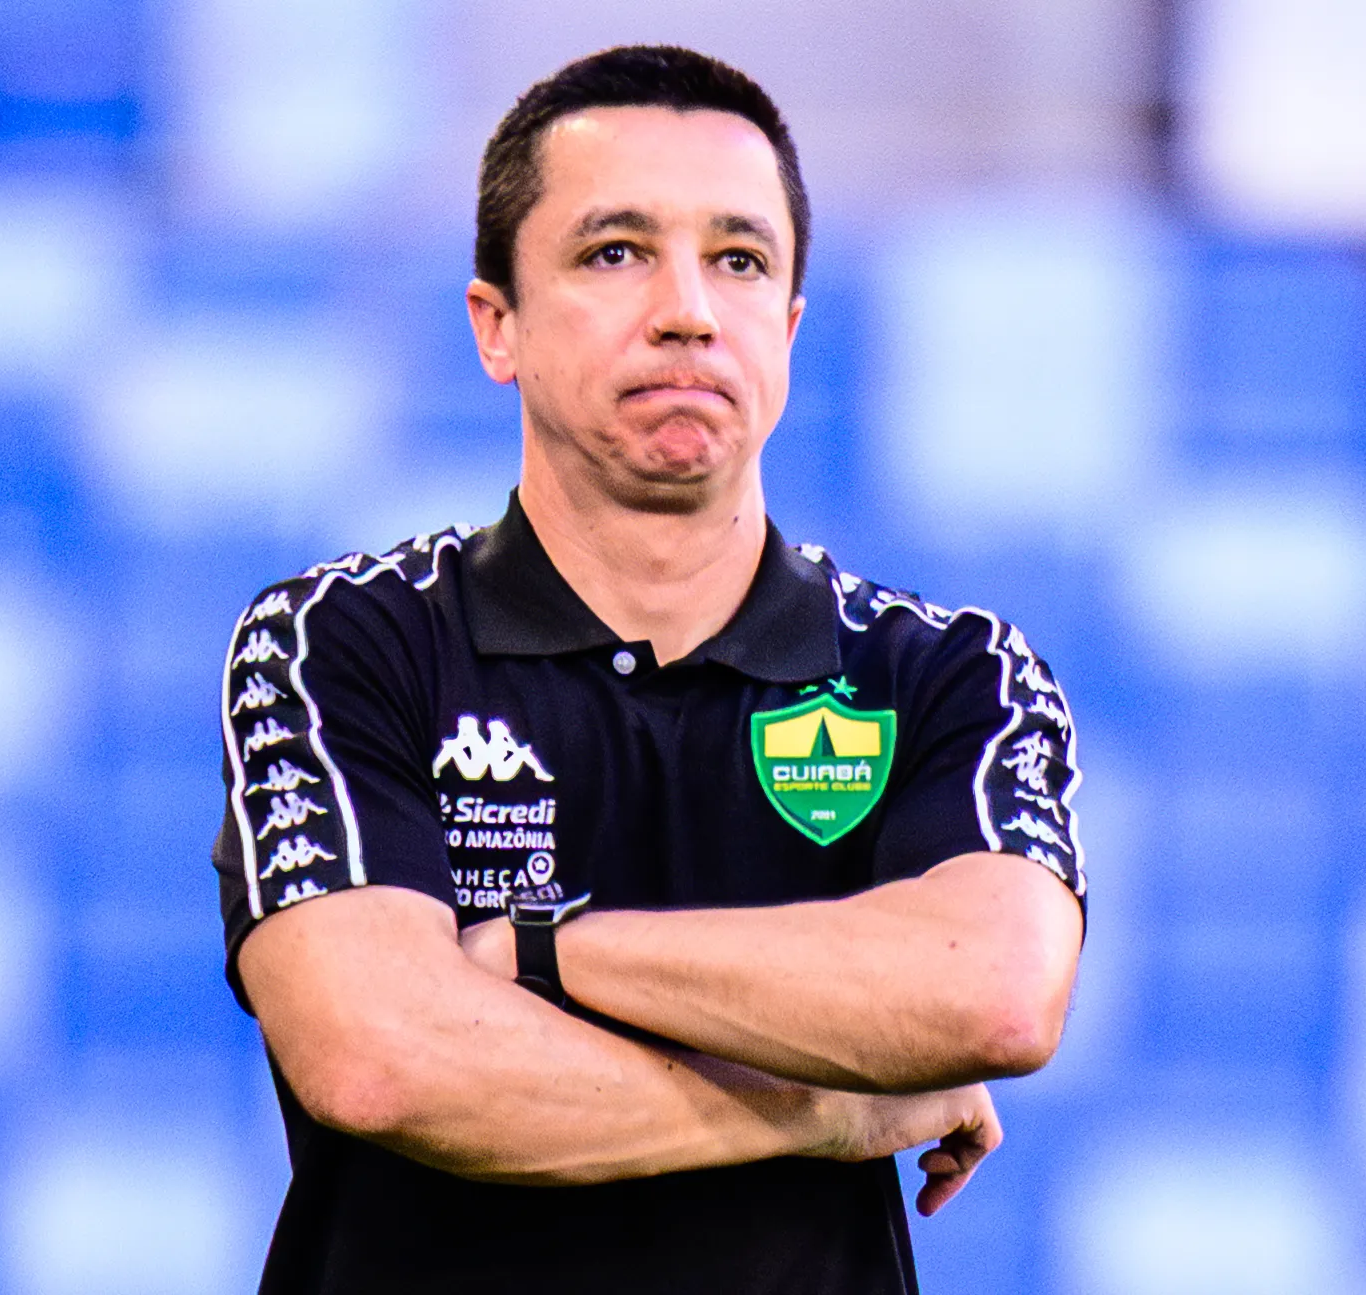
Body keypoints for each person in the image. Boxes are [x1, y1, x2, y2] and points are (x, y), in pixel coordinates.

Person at [213, 44, 1085, 1295]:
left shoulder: (947, 673)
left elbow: (992, 996)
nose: (687, 309)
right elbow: (380, 1059)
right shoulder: (341, 640)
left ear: (787, 329)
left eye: (739, 260)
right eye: (615, 251)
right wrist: (827, 1106)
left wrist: (541, 953)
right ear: (496, 326)